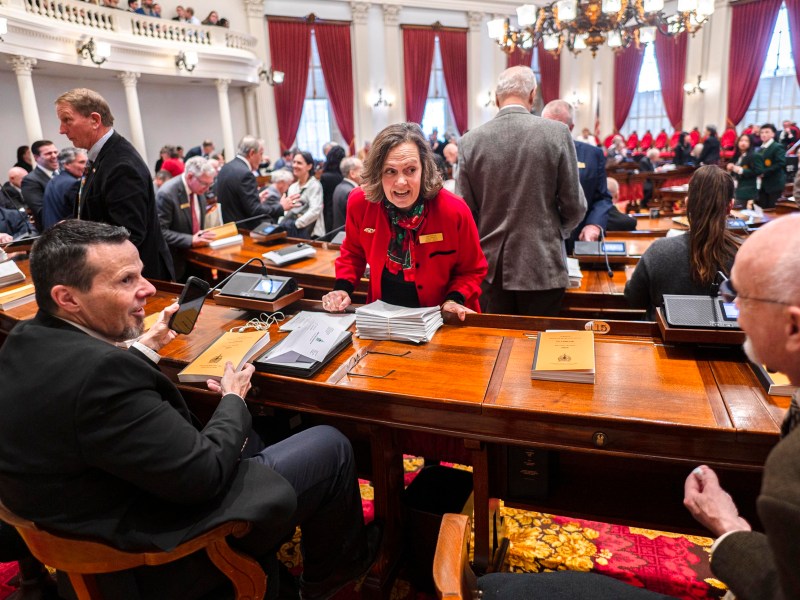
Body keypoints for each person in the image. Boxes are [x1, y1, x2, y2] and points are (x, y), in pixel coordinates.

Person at [0, 219, 378, 600]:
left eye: (141, 274)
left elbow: (99, 403)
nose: (147, 289)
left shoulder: (23, 340)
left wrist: (147, 348)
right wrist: (232, 398)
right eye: (126, 280)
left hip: (84, 514)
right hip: (150, 556)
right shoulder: (102, 375)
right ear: (67, 298)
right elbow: (204, 475)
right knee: (330, 444)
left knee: (254, 437)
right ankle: (330, 579)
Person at [682, 214, 800, 600]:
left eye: (742, 299)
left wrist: (729, 528)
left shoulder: (792, 469)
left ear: (794, 326)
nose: (733, 312)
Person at [322, 123, 487, 321]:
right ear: (377, 173)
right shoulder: (360, 203)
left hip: (442, 318)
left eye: (410, 170)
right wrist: (342, 289)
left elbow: (472, 269)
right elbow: (352, 253)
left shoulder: (454, 210)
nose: (401, 182)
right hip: (384, 317)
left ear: (424, 170)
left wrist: (455, 299)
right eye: (390, 171)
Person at [458, 66, 585, 316]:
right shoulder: (557, 133)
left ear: (496, 99)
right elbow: (575, 204)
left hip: (489, 268)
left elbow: (464, 211)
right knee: (538, 348)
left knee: (494, 350)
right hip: (542, 264)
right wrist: (557, 231)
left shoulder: (469, 141)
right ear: (532, 95)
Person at [56, 87, 175, 281]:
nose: (61, 130)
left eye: (67, 120)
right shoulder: (102, 156)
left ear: (95, 120)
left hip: (138, 279)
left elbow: (128, 235)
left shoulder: (121, 165)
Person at [624, 166, 741, 319]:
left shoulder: (659, 251)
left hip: (665, 342)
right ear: (730, 206)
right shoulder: (745, 254)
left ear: (686, 202)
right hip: (727, 342)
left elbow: (634, 300)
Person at [542, 100, 611, 253]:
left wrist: (594, 225)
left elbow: (602, 198)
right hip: (542, 246)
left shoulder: (593, 155)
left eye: (558, 127)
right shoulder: (530, 154)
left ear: (571, 128)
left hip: (580, 241)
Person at [156, 156, 218, 281]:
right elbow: (160, 232)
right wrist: (190, 239)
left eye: (210, 184)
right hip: (178, 261)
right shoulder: (167, 194)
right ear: (190, 176)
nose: (207, 189)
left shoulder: (199, 189)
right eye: (204, 184)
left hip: (199, 257)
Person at [214, 135, 276, 225]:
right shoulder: (245, 174)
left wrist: (255, 199)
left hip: (229, 226)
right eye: (261, 154)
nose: (262, 159)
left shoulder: (226, 167)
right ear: (251, 153)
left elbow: (235, 201)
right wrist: (281, 207)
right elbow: (255, 211)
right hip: (244, 231)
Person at [279, 150, 324, 239]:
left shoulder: (314, 185)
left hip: (310, 233)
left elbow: (315, 211)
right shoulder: (292, 187)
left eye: (299, 163)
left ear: (309, 166)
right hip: (293, 232)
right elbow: (289, 209)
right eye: (294, 162)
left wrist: (296, 224)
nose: (295, 165)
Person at [41, 147, 87, 230]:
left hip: (52, 233)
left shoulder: (53, 181)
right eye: (82, 162)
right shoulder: (74, 184)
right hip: (68, 234)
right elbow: (80, 214)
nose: (86, 166)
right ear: (67, 164)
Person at [21, 139, 59, 232]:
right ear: (36, 157)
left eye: (55, 152)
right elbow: (41, 211)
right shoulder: (30, 181)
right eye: (48, 153)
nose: (54, 156)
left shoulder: (66, 173)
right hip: (53, 231)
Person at [755, 123, 786, 209]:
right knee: (762, 208)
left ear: (773, 134)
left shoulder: (777, 146)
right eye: (762, 132)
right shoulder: (760, 148)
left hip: (774, 183)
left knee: (771, 209)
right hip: (762, 184)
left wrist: (763, 173)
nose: (764, 134)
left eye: (767, 132)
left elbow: (780, 163)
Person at [726, 134, 759, 209]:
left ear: (750, 143)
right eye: (741, 140)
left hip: (746, 190)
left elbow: (757, 171)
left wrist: (741, 170)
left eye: (746, 141)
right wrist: (730, 169)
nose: (743, 143)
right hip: (735, 188)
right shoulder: (737, 156)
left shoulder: (754, 155)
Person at [331, 156, 362, 232]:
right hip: (347, 236)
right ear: (352, 173)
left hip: (339, 235)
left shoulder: (339, 186)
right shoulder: (351, 192)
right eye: (361, 170)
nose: (364, 173)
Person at [320, 145, 345, 232]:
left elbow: (323, 199)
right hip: (340, 213)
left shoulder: (325, 176)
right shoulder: (343, 176)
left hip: (328, 213)